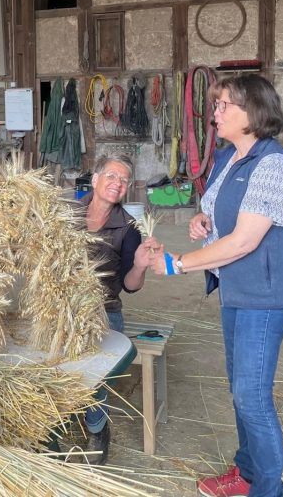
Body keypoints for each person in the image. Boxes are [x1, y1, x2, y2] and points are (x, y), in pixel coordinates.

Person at [149, 74, 283, 497]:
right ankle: (245, 473)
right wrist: (203, 221)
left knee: (252, 396)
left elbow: (243, 241)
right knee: (240, 388)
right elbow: (215, 212)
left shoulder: (274, 166)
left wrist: (177, 264)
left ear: (254, 113)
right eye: (215, 105)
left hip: (266, 293)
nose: (214, 115)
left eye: (224, 106)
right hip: (236, 289)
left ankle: (267, 489)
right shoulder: (228, 157)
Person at [81, 154, 155, 464]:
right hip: (59, 306)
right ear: (95, 179)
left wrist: (139, 266)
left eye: (124, 180)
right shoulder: (66, 212)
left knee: (92, 366)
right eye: (111, 176)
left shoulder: (128, 228)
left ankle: (97, 428)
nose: (118, 183)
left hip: (104, 310)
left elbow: (131, 286)